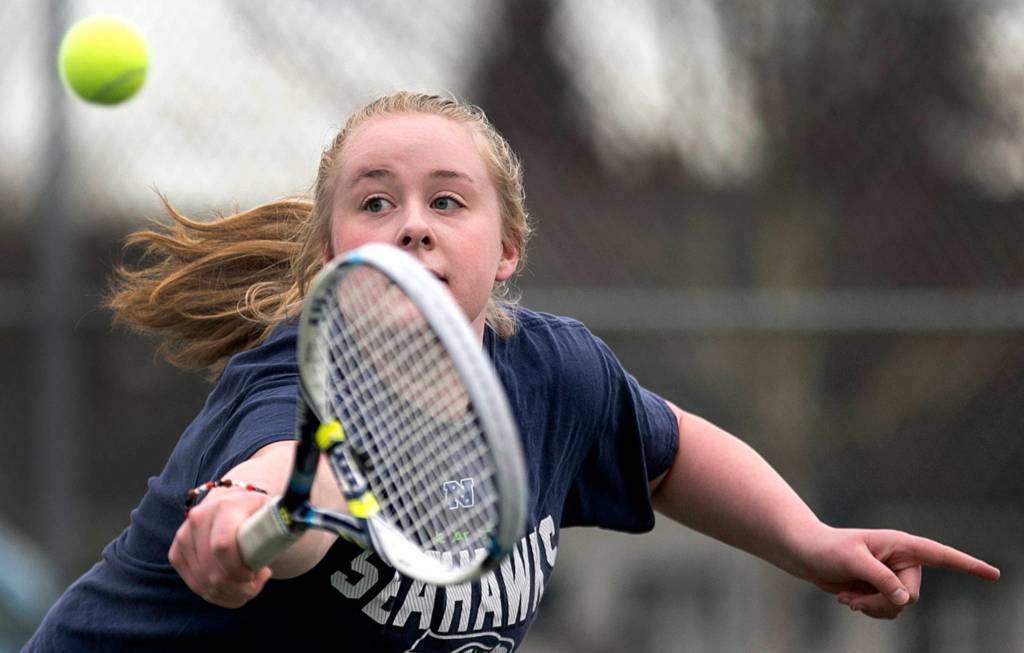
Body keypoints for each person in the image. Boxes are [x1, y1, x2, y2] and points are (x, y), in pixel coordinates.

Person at [24, 92, 999, 652]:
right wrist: (242, 523)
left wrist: (809, 541)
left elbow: (667, 453)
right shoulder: (293, 375)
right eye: (375, 201)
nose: (411, 220)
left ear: (506, 252)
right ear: (328, 258)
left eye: (447, 199)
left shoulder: (552, 375)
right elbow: (289, 482)